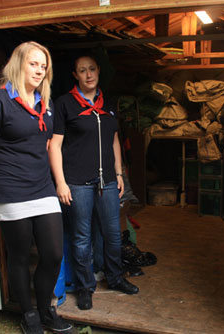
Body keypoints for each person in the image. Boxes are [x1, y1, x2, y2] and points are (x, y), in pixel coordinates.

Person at [0, 41, 74, 334]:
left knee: (53, 253)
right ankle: (28, 314)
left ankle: (46, 310)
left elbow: (51, 146)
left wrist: (59, 182)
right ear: (18, 64)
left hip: (41, 187)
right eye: (33, 63)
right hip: (10, 189)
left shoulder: (46, 102)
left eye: (44, 66)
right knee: (18, 256)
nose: (40, 70)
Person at [49, 51, 139, 311]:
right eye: (82, 70)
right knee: (81, 237)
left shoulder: (107, 103)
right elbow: (54, 146)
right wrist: (61, 182)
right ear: (75, 75)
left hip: (108, 182)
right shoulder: (65, 104)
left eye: (92, 69)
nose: (88, 74)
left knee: (112, 234)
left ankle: (115, 277)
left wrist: (119, 174)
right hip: (77, 182)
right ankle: (84, 287)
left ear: (99, 71)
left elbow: (114, 140)